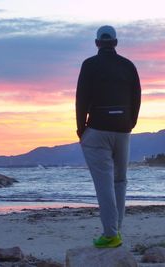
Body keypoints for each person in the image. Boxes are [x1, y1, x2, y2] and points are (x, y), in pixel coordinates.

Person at [76, 25, 141, 248]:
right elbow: (137, 97)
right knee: (120, 180)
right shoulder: (128, 65)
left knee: (104, 183)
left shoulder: (89, 65)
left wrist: (80, 130)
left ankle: (111, 234)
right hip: (123, 129)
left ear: (97, 43)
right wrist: (130, 123)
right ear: (115, 42)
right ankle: (116, 232)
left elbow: (81, 99)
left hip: (97, 130)